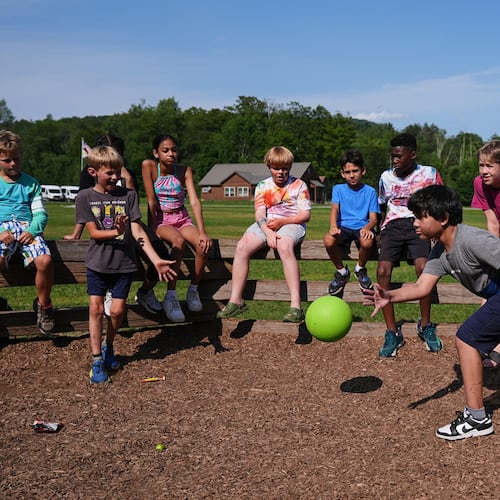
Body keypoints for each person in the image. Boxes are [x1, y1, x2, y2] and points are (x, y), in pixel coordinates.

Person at [364, 185, 498, 440]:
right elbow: (421, 287)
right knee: (471, 336)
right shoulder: (439, 252)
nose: (414, 223)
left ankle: (477, 419)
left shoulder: (472, 240)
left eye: (420, 217)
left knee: (468, 337)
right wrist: (389, 295)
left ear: (443, 218)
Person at [75, 145, 176, 384]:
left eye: (117, 172)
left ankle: (109, 346)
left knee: (118, 311)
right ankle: (97, 359)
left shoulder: (128, 196)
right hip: (98, 264)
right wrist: (114, 231)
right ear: (93, 172)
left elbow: (138, 231)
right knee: (96, 310)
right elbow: (93, 232)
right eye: (109, 173)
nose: (115, 177)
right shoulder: (85, 198)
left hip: (124, 265)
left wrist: (156, 260)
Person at [217, 146, 311, 323]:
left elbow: (305, 215)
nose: (281, 172)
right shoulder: (262, 186)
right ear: (269, 166)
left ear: (290, 167)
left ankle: (296, 306)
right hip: (267, 224)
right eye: (276, 168)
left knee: (284, 246)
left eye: (285, 168)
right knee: (242, 246)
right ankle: (236, 300)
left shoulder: (299, 185)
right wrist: (267, 231)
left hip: (292, 223)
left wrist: (282, 222)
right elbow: (260, 214)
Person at [377, 132, 444, 357]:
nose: (394, 160)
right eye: (392, 156)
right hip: (393, 226)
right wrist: (377, 230)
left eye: (399, 156)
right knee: (382, 271)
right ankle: (392, 332)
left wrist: (437, 230)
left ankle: (425, 325)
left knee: (423, 267)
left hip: (419, 224)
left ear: (412, 154)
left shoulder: (429, 173)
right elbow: (381, 207)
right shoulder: (386, 177)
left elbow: (442, 199)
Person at [140, 134, 212, 323]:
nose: (171, 154)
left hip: (182, 217)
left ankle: (193, 289)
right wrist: (150, 231)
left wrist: (203, 231)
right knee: (178, 242)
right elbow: (150, 200)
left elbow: (195, 201)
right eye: (165, 151)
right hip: (162, 220)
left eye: (174, 150)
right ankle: (171, 296)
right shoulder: (148, 166)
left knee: (203, 245)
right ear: (156, 153)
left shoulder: (184, 170)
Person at [0, 130, 55, 334]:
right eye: (7, 161)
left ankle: (44, 306)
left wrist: (32, 230)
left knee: (45, 260)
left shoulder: (31, 183)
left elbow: (40, 213)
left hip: (26, 227)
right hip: (2, 229)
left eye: (16, 159)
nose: (13, 164)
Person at [323, 150, 379, 297]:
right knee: (328, 240)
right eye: (347, 172)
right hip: (343, 227)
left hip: (362, 226)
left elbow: (374, 217)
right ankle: (342, 271)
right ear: (342, 173)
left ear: (363, 171)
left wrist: (367, 227)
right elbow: (334, 208)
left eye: (355, 171)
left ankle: (360, 269)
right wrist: (333, 226)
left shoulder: (370, 191)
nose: (352, 175)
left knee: (367, 242)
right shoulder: (338, 189)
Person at [64, 134, 137, 240]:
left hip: (130, 225)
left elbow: (134, 206)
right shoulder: (90, 172)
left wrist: (128, 179)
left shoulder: (128, 173)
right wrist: (76, 233)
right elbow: (84, 204)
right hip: (105, 225)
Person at [471, 139, 500, 368]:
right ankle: (482, 341)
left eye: (489, 166)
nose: (483, 171)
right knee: (490, 289)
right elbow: (492, 223)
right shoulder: (480, 185)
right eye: (481, 165)